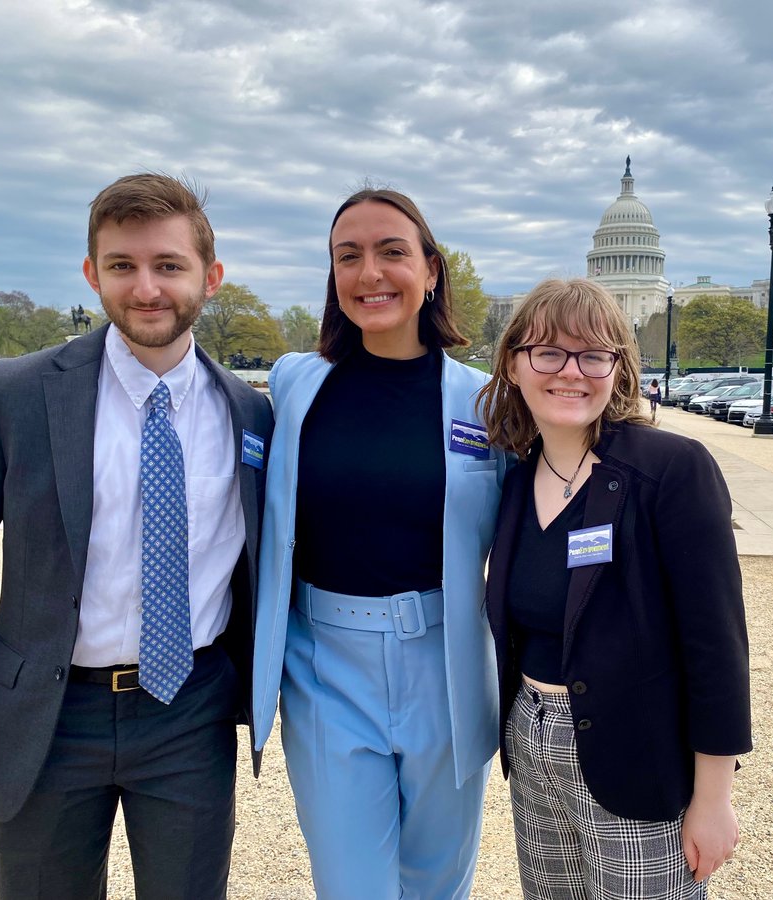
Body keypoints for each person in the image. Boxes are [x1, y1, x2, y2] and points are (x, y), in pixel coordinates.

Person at [0, 173, 274, 899]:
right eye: (122, 266)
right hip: (48, 717)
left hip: (189, 714)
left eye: (169, 265)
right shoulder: (12, 396)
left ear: (212, 278)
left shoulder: (252, 416)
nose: (146, 288)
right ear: (91, 273)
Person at [250, 188, 508, 899]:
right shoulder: (295, 382)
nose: (371, 273)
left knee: (436, 884)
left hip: (447, 667)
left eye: (392, 251)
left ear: (431, 269)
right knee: (352, 886)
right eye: (348, 256)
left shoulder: (486, 403)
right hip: (324, 668)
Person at [476, 278, 751, 899]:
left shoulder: (672, 470)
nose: (571, 373)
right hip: (533, 739)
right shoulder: (517, 483)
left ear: (618, 367)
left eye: (594, 354)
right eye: (548, 352)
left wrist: (714, 799)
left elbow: (716, 645)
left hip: (635, 752)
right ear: (514, 363)